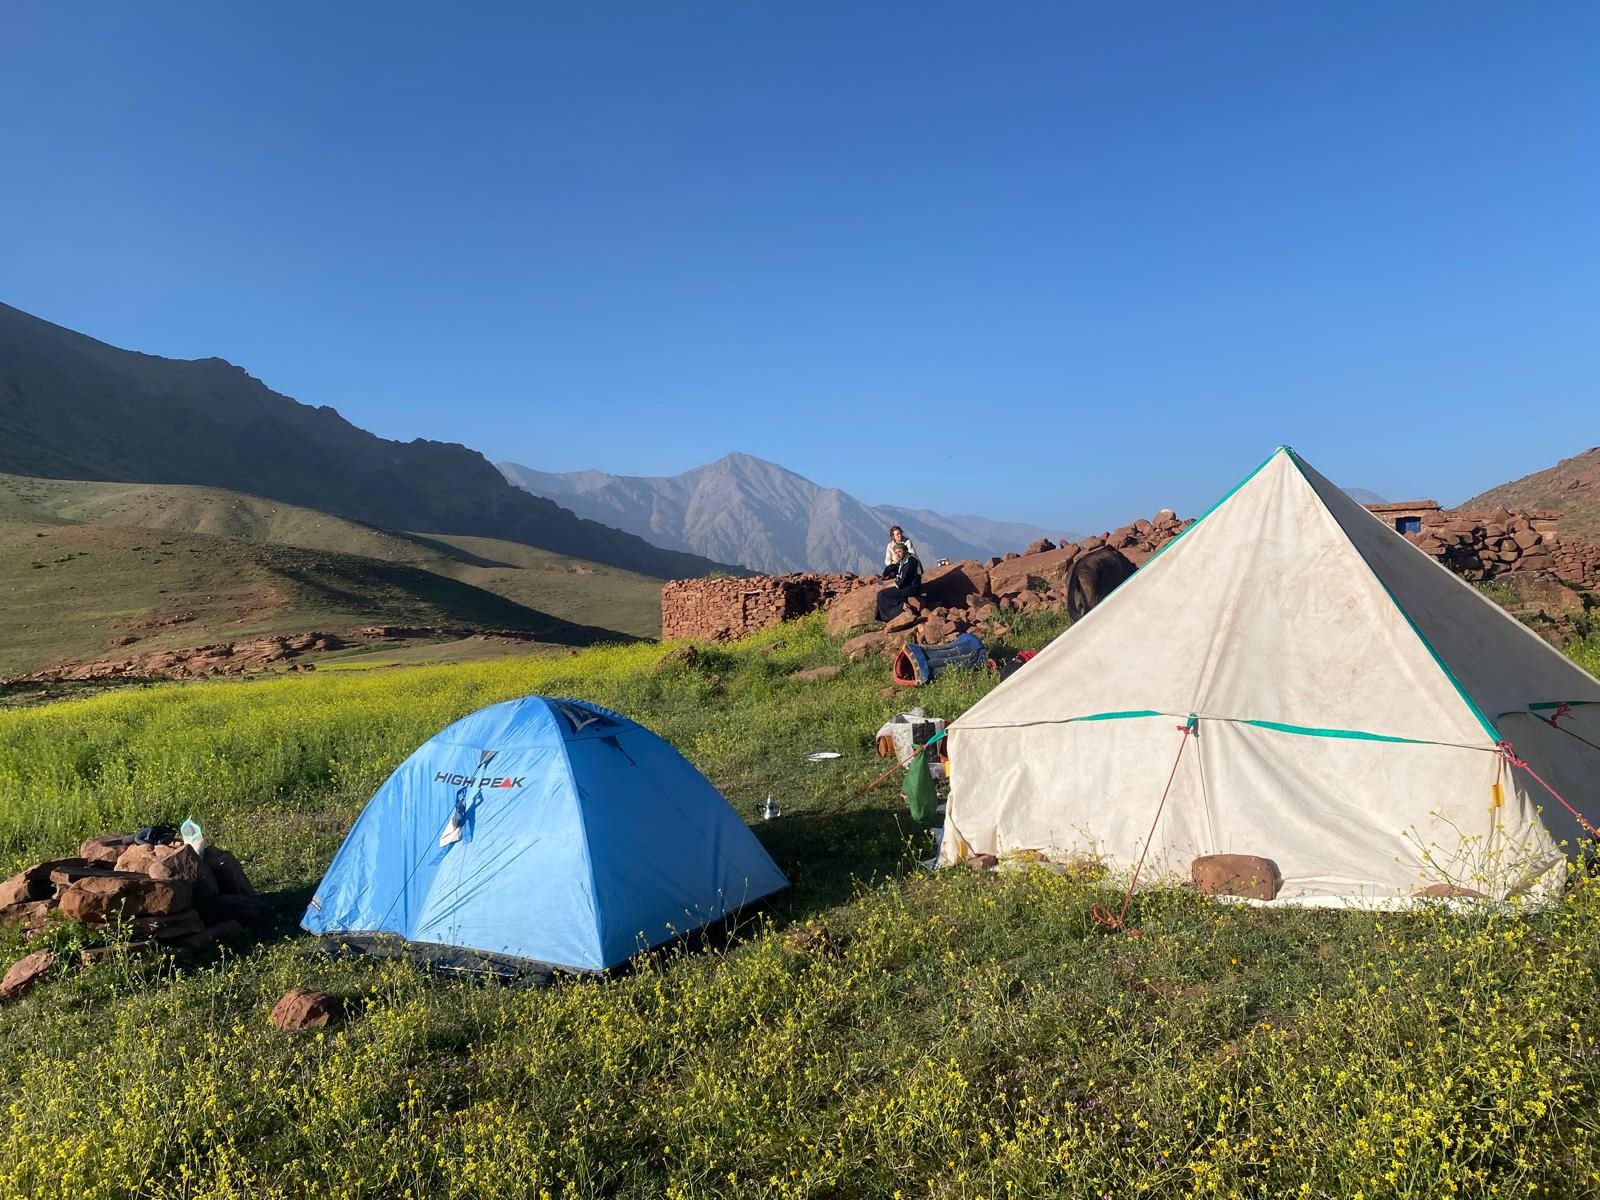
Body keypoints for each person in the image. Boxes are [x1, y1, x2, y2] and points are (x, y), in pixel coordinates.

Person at [876, 541, 923, 622]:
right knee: (881, 594)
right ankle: (883, 617)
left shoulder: (910, 562)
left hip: (912, 587)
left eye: (899, 551)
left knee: (883, 594)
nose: (897, 554)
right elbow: (897, 572)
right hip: (906, 586)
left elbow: (901, 582)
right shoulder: (904, 560)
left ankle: (898, 610)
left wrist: (885, 586)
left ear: (905, 550)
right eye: (896, 552)